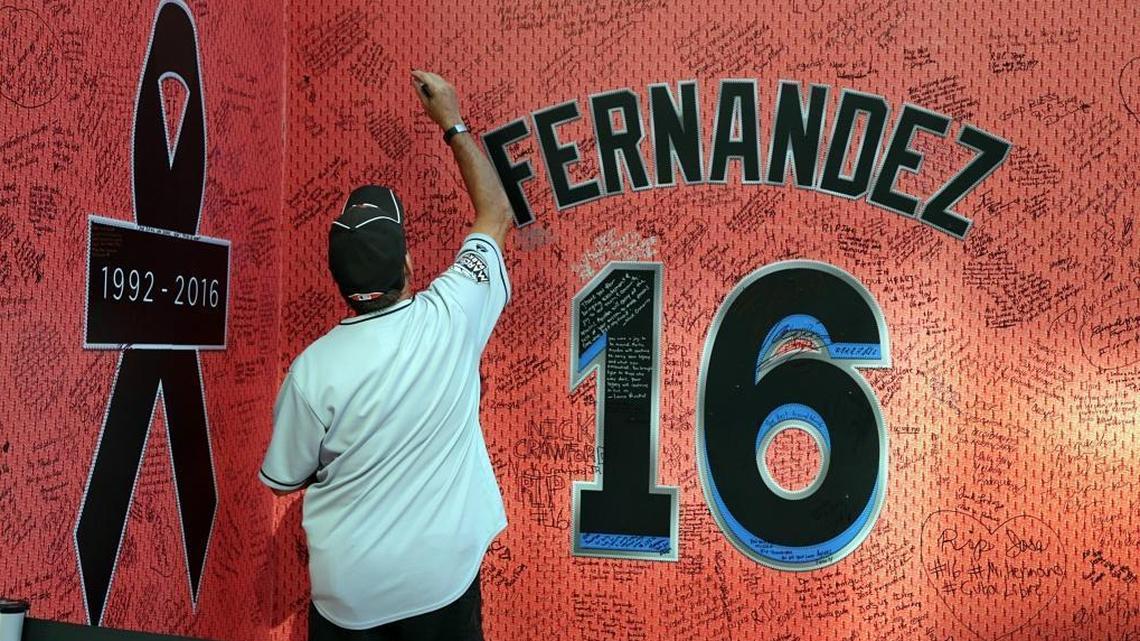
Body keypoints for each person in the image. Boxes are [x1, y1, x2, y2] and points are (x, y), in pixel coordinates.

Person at [258, 70, 514, 641]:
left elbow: (282, 480)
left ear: (340, 283)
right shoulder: (451, 315)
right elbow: (495, 213)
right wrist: (450, 119)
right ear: (407, 269)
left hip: (349, 598)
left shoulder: (311, 370)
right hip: (439, 584)